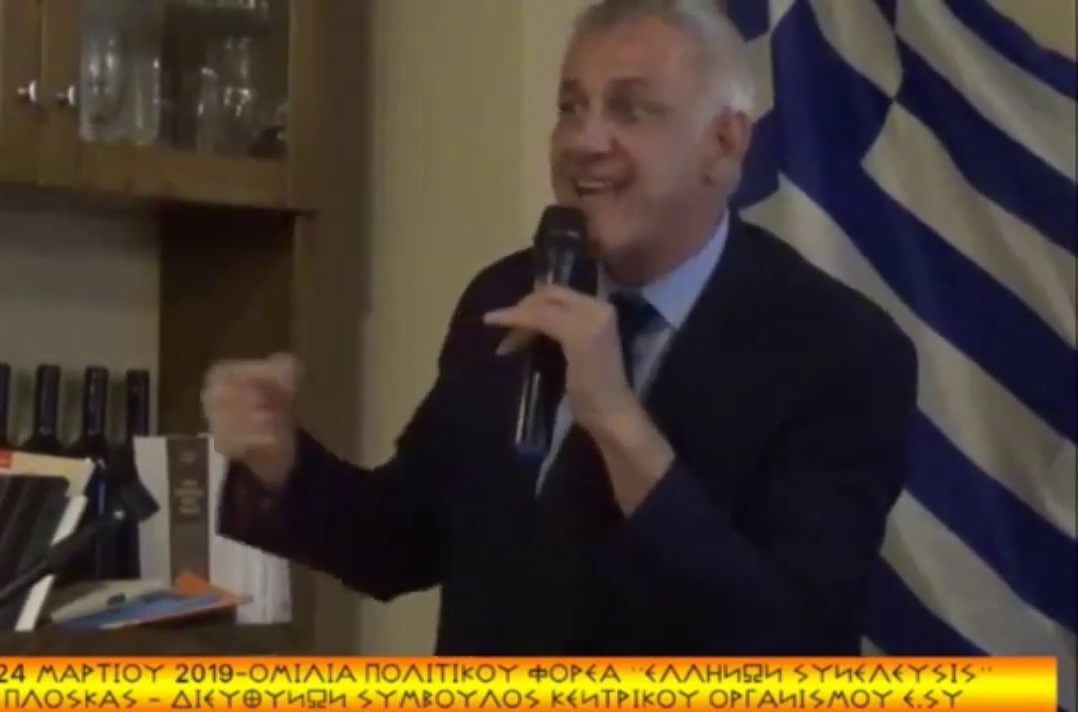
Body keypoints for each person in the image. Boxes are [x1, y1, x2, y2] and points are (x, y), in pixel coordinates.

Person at [202, 0, 917, 657]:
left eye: (630, 110)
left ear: (724, 144)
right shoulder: (509, 293)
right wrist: (283, 463)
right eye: (571, 108)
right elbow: (404, 539)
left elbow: (793, 644)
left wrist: (618, 424)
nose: (586, 140)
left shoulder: (842, 349)